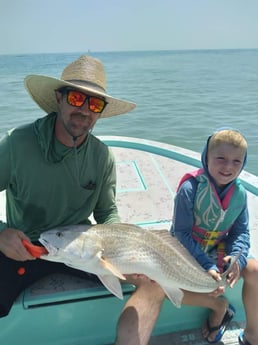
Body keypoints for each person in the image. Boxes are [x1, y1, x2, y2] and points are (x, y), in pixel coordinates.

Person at [0, 55, 165, 345]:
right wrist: (1, 233)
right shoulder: (16, 144)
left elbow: (106, 212)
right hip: (24, 248)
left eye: (95, 104)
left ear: (100, 112)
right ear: (58, 98)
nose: (84, 110)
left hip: (84, 250)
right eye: (77, 98)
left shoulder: (101, 157)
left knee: (154, 282)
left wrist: (124, 247)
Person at [170, 128, 258, 344]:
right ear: (206, 157)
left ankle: (253, 333)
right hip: (186, 249)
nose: (228, 167)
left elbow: (240, 232)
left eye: (237, 161)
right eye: (221, 158)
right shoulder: (190, 189)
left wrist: (237, 257)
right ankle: (218, 306)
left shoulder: (239, 193)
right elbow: (181, 233)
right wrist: (206, 264)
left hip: (216, 247)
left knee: (255, 270)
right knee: (164, 285)